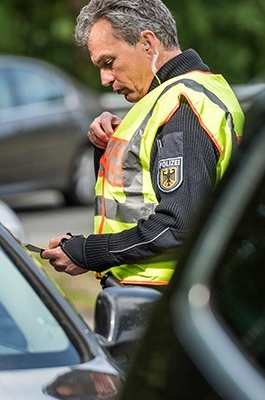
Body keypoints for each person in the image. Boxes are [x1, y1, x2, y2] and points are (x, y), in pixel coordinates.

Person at [40, 0, 245, 289]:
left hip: (160, 297)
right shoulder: (187, 93)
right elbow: (138, 197)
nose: (105, 79)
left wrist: (89, 252)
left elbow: (176, 226)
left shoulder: (181, 106)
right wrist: (107, 147)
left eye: (109, 63)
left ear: (148, 43)